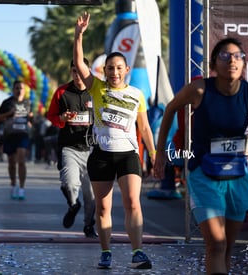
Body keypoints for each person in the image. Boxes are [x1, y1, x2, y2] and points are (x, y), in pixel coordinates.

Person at [154, 37, 248, 275]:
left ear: (243, 64)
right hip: (204, 175)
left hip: (236, 176)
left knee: (227, 247)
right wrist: (161, 152)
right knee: (216, 243)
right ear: (214, 63)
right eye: (225, 56)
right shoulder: (200, 89)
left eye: (237, 56)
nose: (232, 60)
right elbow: (170, 108)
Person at [73, 12, 156, 269]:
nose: (115, 72)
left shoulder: (136, 94)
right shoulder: (96, 88)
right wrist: (79, 34)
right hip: (102, 155)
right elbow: (78, 63)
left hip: (128, 155)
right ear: (104, 71)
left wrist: (154, 154)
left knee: (133, 202)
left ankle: (137, 252)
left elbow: (144, 127)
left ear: (126, 70)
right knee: (103, 209)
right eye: (110, 68)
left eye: (119, 68)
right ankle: (106, 252)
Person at [47, 58, 97, 238]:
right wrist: (62, 118)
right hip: (69, 148)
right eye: (74, 71)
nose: (77, 75)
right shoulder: (62, 92)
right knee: (70, 183)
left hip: (92, 150)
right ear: (70, 72)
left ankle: (89, 225)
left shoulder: (96, 91)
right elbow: (51, 115)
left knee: (91, 194)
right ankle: (73, 205)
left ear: (88, 70)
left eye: (80, 71)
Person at [0, 80, 32, 200]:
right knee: (11, 163)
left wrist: (31, 120)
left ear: (24, 90)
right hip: (10, 135)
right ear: (13, 90)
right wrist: (9, 113)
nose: (19, 90)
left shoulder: (28, 103)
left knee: (21, 160)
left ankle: (22, 188)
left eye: (21, 88)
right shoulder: (7, 103)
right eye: (17, 88)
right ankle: (13, 184)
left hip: (22, 135)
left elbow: (30, 118)